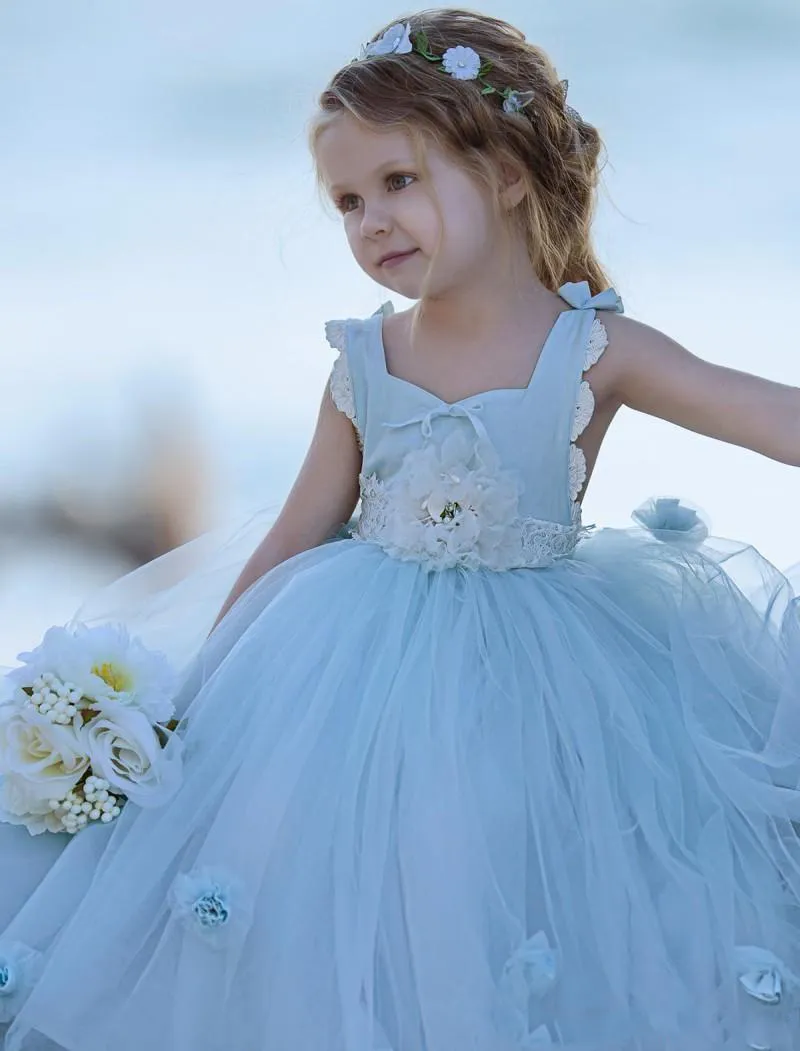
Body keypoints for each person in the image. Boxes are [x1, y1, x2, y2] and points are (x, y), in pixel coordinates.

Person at [1, 8, 799, 1050]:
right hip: (354, 680)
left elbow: (760, 412)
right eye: (346, 200)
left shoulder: (595, 347)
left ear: (508, 169)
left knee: (526, 891)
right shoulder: (363, 363)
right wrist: (196, 699)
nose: (371, 220)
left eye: (399, 182)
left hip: (556, 682)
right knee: (371, 891)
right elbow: (291, 537)